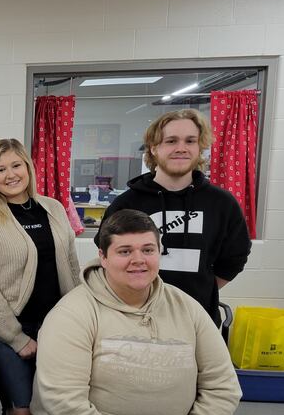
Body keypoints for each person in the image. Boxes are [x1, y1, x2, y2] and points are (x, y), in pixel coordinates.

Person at [32, 209, 241, 415]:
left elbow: (222, 385)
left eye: (148, 250)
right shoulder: (72, 314)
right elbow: (64, 401)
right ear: (103, 257)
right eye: (125, 251)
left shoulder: (186, 307)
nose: (138, 260)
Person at [96, 109, 251, 326]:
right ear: (154, 148)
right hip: (134, 320)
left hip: (197, 321)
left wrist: (199, 287)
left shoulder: (223, 204)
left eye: (190, 141)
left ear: (199, 148)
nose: (181, 148)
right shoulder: (125, 203)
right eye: (171, 141)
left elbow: (234, 259)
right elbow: (107, 257)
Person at [0, 138, 81, 415]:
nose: (10, 174)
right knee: (22, 409)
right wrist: (16, 338)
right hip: (3, 328)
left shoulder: (53, 208)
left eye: (16, 165)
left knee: (53, 407)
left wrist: (80, 317)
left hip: (54, 326)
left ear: (28, 168)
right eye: (1, 169)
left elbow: (72, 265)